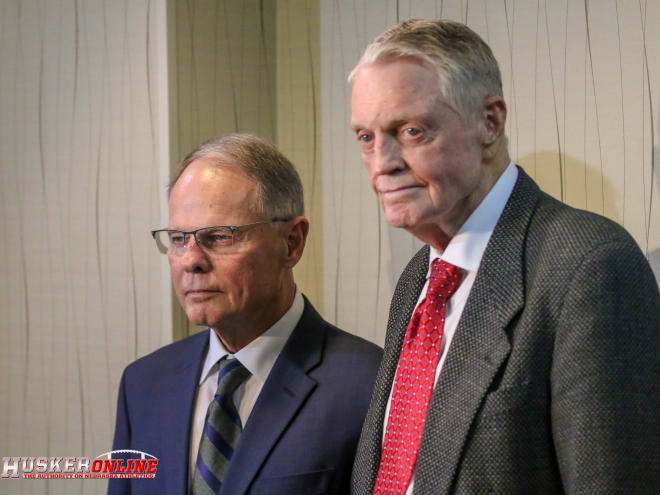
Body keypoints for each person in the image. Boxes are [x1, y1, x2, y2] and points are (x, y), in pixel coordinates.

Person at [348, 19, 659, 494]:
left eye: (410, 131)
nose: (382, 163)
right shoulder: (420, 277)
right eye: (366, 138)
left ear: (489, 123)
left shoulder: (590, 266)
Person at [109, 133, 382, 495]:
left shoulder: (372, 384)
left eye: (220, 237)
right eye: (178, 238)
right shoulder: (142, 385)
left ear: (291, 243)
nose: (191, 260)